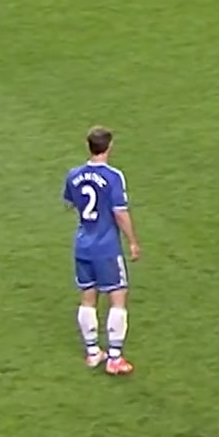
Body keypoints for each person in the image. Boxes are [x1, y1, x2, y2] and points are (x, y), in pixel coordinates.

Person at [63, 126, 140, 374]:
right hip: (106, 247)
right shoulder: (114, 176)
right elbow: (120, 212)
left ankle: (93, 352)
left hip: (82, 245)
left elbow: (69, 204)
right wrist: (132, 241)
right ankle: (114, 357)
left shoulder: (74, 175)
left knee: (88, 296)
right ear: (109, 147)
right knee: (118, 295)